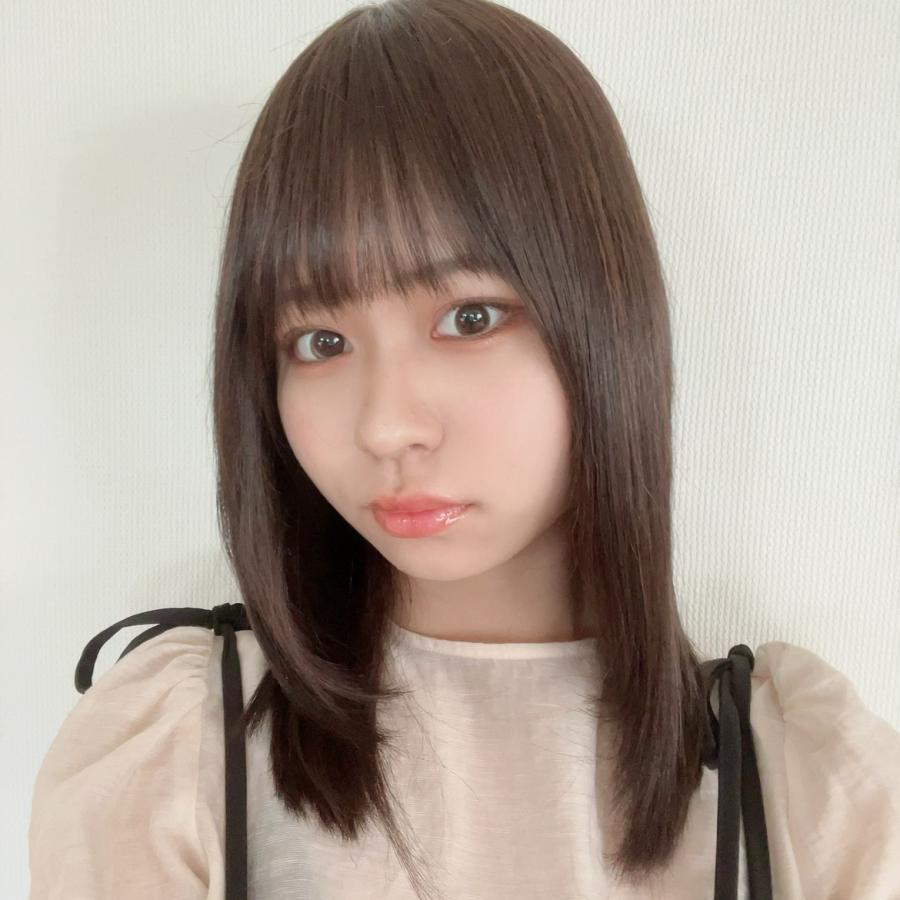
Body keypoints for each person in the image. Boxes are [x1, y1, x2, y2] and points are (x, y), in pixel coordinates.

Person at [28, 1, 900, 898]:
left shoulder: (798, 787)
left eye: (469, 318)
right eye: (320, 342)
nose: (384, 426)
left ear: (604, 321)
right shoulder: (178, 756)